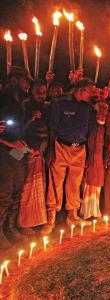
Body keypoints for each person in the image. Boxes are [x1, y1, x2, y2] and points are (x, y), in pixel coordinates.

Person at [42, 79, 97, 234]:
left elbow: (92, 133)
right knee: (55, 183)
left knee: (75, 183)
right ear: (80, 90)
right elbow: (52, 128)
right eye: (90, 91)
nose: (92, 94)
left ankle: (72, 216)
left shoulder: (90, 109)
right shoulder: (60, 104)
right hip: (60, 147)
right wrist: (51, 150)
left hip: (80, 149)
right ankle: (51, 218)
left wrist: (90, 155)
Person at [0, 67, 30, 248]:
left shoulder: (19, 102)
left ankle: (10, 228)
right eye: (24, 81)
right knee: (4, 194)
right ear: (14, 81)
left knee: (17, 192)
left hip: (17, 153)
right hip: (4, 154)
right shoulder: (3, 100)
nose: (27, 85)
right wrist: (10, 143)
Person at [19, 80, 49, 234]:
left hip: (39, 154)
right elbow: (17, 132)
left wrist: (42, 150)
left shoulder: (46, 107)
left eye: (44, 92)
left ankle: (37, 220)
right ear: (31, 91)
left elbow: (47, 132)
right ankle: (23, 223)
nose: (41, 96)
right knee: (25, 189)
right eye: (38, 92)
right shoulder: (24, 106)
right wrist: (30, 119)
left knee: (38, 189)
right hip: (23, 154)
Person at [80, 101, 109, 220]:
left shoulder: (104, 127)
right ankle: (86, 212)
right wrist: (88, 157)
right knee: (88, 184)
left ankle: (94, 211)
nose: (102, 116)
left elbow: (105, 144)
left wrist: (106, 158)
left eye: (104, 114)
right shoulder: (89, 126)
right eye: (99, 114)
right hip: (89, 158)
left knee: (97, 185)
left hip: (99, 160)